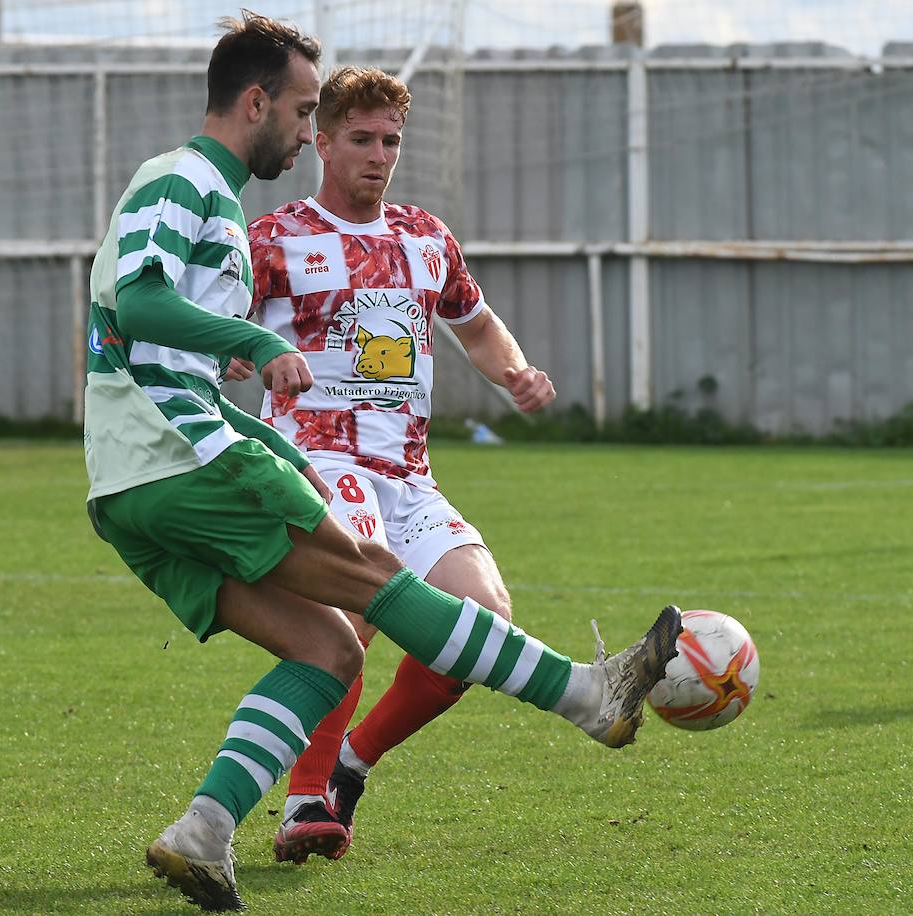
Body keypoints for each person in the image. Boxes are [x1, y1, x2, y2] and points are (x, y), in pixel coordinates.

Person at [83, 12, 682, 913]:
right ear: (261, 104)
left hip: (137, 482)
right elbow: (136, 303)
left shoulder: (341, 222)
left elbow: (163, 320)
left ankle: (204, 831)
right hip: (185, 455)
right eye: (306, 110)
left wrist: (228, 350)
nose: (309, 127)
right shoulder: (191, 183)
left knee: (325, 648)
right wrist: (249, 337)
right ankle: (586, 696)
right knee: (370, 585)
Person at [240, 64, 564, 865]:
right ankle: (303, 799)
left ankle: (353, 762)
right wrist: (243, 356)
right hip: (314, 460)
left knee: (483, 625)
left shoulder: (424, 237)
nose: (379, 154)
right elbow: (217, 325)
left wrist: (513, 370)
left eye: (390, 140)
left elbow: (480, 327)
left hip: (408, 475)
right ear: (321, 141)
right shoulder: (275, 239)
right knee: (350, 606)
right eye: (361, 138)